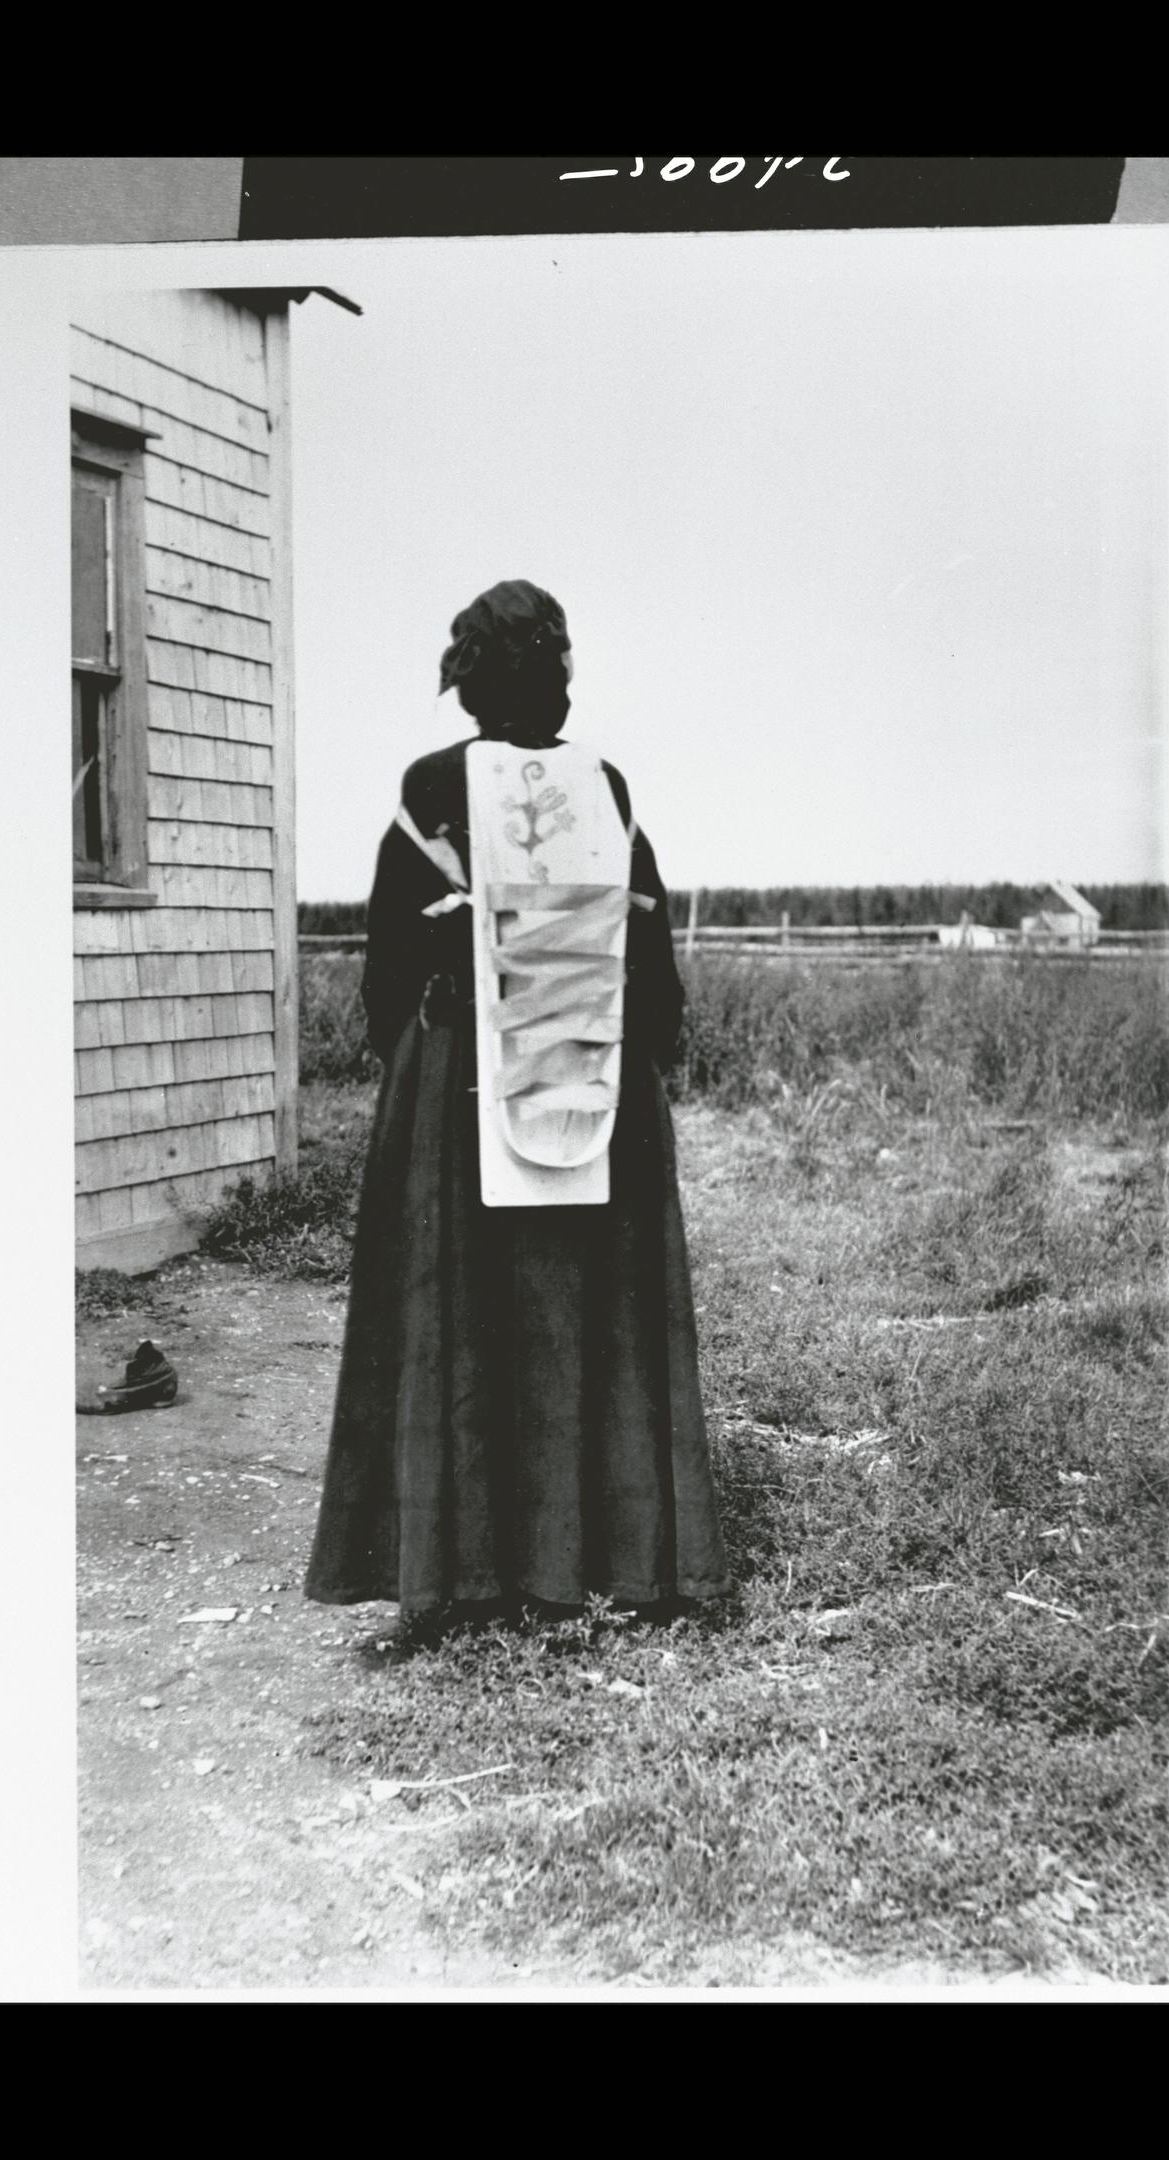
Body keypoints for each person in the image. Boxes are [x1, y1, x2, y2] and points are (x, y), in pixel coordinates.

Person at [304, 579, 731, 1625]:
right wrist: (638, 1062)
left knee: (468, 1314)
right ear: (556, 673)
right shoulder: (608, 787)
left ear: (471, 682)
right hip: (596, 1078)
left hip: (462, 1084)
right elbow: (652, 959)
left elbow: (391, 963)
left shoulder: (430, 786)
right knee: (586, 1310)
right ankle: (604, 1552)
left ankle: (467, 1567)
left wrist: (410, 1063)